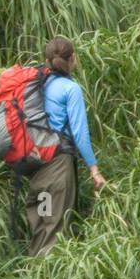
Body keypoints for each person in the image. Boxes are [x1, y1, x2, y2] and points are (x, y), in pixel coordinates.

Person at [25, 37, 107, 257]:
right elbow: (80, 134)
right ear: (73, 59)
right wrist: (94, 169)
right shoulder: (70, 89)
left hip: (35, 167)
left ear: (46, 60)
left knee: (41, 224)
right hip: (58, 168)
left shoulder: (36, 86)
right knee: (54, 231)